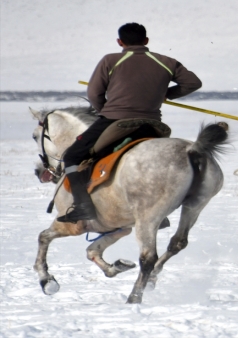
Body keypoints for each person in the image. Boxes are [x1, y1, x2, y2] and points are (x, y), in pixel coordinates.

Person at [58, 22, 202, 222]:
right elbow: (193, 83)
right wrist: (166, 93)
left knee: (72, 156)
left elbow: (94, 93)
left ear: (120, 42)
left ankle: (83, 205)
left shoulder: (111, 60)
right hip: (152, 124)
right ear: (146, 41)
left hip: (115, 120)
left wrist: (106, 111)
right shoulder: (166, 61)